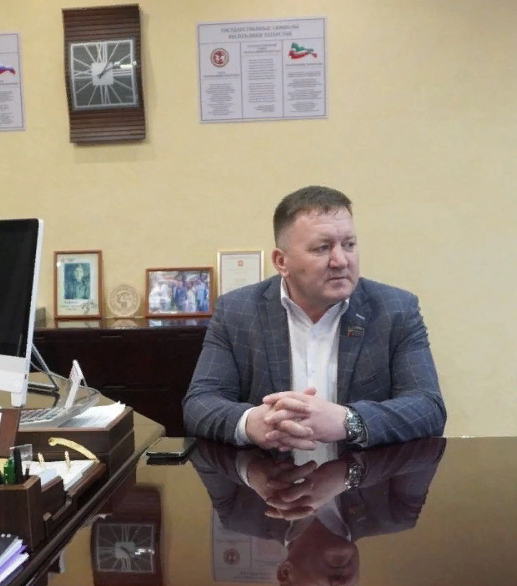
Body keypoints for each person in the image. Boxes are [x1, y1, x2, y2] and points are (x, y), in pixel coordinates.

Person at [183, 185, 445, 451]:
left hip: (364, 474)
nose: (341, 260)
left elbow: (428, 407)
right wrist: (250, 423)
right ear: (281, 261)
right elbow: (199, 403)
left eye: (349, 245)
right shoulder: (236, 311)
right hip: (268, 474)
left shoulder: (396, 310)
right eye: (322, 248)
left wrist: (348, 421)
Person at [191, 438, 446, 586]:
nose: (340, 585)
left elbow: (196, 449)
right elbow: (433, 447)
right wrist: (351, 472)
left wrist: (249, 469)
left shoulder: (238, 515)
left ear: (285, 573)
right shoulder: (396, 515)